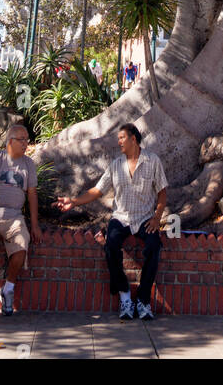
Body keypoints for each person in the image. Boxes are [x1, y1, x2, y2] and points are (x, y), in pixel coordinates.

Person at [56, 123, 167, 321]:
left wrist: (157, 218)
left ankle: (143, 300)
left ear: (134, 139)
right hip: (121, 217)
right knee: (111, 245)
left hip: (144, 218)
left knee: (154, 246)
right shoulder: (116, 165)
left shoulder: (153, 161)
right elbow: (97, 191)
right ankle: (124, 295)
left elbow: (162, 193)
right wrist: (73, 201)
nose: (119, 142)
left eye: (122, 137)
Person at [0, 123, 42, 316]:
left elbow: (32, 195)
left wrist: (35, 225)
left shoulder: (28, 164)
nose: (26, 143)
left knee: (22, 245)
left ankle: (8, 289)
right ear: (10, 141)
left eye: (27, 140)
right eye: (22, 139)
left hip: (14, 216)